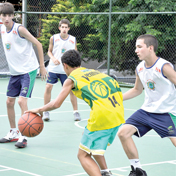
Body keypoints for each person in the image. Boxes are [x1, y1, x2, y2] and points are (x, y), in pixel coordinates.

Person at [26, 49, 125, 176]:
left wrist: (39, 109)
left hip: (102, 117)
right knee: (90, 142)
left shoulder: (71, 79)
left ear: (65, 66)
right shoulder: (94, 72)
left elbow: (56, 104)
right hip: (118, 113)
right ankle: (106, 172)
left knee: (82, 155)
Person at [117, 34, 176, 176]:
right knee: (123, 133)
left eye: (139, 47)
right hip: (146, 111)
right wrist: (116, 99)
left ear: (150, 48)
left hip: (166, 112)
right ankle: (137, 170)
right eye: (136, 47)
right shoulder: (140, 68)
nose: (136, 50)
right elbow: (137, 90)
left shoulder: (164, 66)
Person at [0, 2, 47, 148]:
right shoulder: (2, 28)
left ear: (13, 16)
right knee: (9, 102)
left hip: (28, 70)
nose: (7, 18)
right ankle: (13, 131)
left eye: (9, 15)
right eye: (4, 15)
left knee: (21, 101)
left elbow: (38, 44)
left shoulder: (19, 29)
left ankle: (23, 135)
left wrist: (42, 66)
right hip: (15, 72)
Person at [43, 18, 81, 121]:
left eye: (66, 27)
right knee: (48, 87)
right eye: (62, 27)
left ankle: (76, 112)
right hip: (54, 68)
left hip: (67, 70)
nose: (64, 29)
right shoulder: (54, 38)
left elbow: (75, 54)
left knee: (72, 91)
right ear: (59, 28)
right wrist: (54, 58)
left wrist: (76, 67)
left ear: (68, 28)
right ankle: (46, 111)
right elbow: (49, 52)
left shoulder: (73, 39)